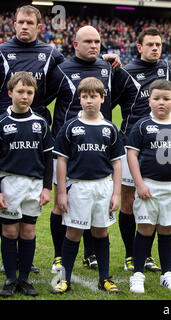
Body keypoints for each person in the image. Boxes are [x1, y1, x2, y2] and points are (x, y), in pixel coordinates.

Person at [44, 25, 121, 273]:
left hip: (100, 146)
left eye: (97, 41)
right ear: (75, 45)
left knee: (95, 200)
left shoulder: (107, 68)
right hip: (67, 149)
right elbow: (42, 100)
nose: (94, 46)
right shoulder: (61, 71)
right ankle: (59, 256)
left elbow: (116, 99)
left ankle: (90, 254)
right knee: (61, 205)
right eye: (88, 41)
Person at [0, 4, 64, 275]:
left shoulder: (51, 53)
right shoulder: (2, 51)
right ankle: (9, 263)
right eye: (20, 22)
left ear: (39, 26)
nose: (24, 26)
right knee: (5, 203)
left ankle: (23, 262)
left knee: (29, 201)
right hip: (6, 130)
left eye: (30, 22)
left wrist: (105, 61)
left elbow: (71, 74)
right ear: (13, 24)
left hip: (37, 131)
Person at [51, 77, 124, 294]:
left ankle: (104, 279)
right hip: (78, 187)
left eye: (93, 96)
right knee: (73, 233)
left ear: (102, 98)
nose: (89, 101)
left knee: (101, 232)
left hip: (103, 187)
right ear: (79, 99)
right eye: (84, 97)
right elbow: (62, 161)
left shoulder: (110, 128)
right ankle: (63, 279)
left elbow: (117, 163)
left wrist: (116, 194)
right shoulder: (70, 127)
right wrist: (61, 192)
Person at [112, 27, 171, 273]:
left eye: (158, 44)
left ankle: (147, 256)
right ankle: (131, 255)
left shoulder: (169, 69)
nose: (155, 48)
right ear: (139, 47)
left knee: (156, 200)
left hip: (163, 147)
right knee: (128, 202)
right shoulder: (127, 73)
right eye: (150, 44)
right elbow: (111, 104)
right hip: (132, 146)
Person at [126, 79, 171, 293]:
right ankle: (138, 274)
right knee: (145, 229)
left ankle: (167, 273)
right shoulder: (143, 125)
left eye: (166, 99)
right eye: (156, 99)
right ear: (149, 101)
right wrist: (139, 185)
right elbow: (132, 155)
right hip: (148, 186)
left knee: (166, 229)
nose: (161, 103)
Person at [0, 72, 53, 297]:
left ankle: (24, 279)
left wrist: (47, 187)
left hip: (34, 184)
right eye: (20, 92)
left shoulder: (40, 123)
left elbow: (48, 158)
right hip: (9, 183)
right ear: (10, 93)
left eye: (29, 92)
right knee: (10, 231)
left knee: (28, 231)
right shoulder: (2, 123)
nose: (25, 96)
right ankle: (11, 278)